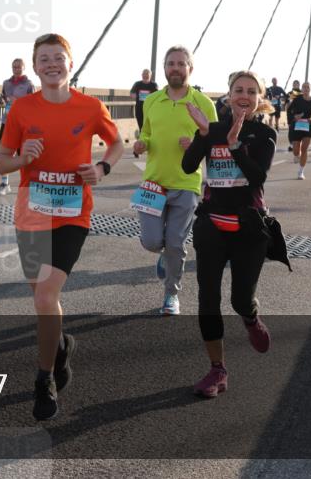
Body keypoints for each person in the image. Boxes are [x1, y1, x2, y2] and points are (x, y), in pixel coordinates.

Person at [0, 33, 125, 421]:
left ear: (71, 63)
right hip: (32, 212)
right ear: (35, 67)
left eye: (58, 58)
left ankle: (44, 378)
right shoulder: (21, 109)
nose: (52, 64)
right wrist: (23, 159)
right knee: (43, 298)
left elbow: (116, 143)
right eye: (44, 59)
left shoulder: (90, 107)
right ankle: (62, 345)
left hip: (72, 213)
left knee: (44, 297)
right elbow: (1, 163)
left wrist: (101, 167)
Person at [182, 70, 283, 398]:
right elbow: (188, 166)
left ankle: (251, 318)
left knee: (240, 300)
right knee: (207, 298)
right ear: (228, 94)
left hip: (249, 229)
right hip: (212, 224)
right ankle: (217, 370)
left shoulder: (264, 134)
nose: (244, 95)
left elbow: (256, 178)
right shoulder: (212, 129)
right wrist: (202, 135)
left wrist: (235, 144)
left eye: (251, 91)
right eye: (238, 89)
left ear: (259, 99)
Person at [132, 46, 218, 316]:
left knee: (177, 244)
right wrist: (141, 144)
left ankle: (171, 296)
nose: (176, 68)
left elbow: (215, 144)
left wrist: (196, 144)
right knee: (151, 241)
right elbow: (146, 132)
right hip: (153, 183)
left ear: (190, 68)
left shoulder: (204, 103)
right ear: (165, 68)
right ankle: (164, 255)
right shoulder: (152, 101)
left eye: (181, 63)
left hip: (186, 183)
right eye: (171, 63)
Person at [0, 59, 35, 195]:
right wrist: (0, 100)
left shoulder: (29, 84)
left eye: (18, 67)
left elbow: (33, 104)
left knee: (23, 154)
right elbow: (4, 97)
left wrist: (17, 102)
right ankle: (4, 183)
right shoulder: (6, 83)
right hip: (7, 121)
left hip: (23, 124)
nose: (16, 69)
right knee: (4, 152)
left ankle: (25, 184)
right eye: (14, 67)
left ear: (24, 68)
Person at [286, 82, 311, 180]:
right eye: (304, 87)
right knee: (296, 150)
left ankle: (301, 172)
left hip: (307, 126)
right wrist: (294, 117)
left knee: (304, 149)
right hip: (297, 126)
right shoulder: (297, 99)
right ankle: (296, 155)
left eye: (307, 87)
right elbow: (289, 110)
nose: (306, 89)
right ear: (302, 89)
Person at [130, 69, 159, 135]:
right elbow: (132, 93)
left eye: (147, 74)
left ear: (150, 75)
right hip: (139, 108)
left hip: (150, 109)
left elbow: (157, 96)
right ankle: (142, 139)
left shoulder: (153, 85)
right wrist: (134, 95)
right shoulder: (137, 84)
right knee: (141, 126)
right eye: (144, 74)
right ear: (142, 75)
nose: (145, 75)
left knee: (149, 127)